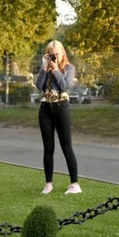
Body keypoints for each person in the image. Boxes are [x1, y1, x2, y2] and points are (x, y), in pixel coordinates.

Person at [34, 40, 81, 195]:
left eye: (56, 54)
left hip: (61, 107)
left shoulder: (69, 68)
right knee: (48, 147)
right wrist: (44, 68)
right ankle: (48, 183)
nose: (54, 56)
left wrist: (55, 70)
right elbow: (39, 86)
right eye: (50, 54)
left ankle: (74, 184)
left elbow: (65, 87)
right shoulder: (45, 69)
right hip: (45, 107)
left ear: (62, 53)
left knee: (66, 146)